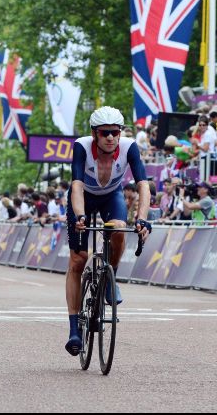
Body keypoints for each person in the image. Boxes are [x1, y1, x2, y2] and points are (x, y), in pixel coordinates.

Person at [64, 106, 152, 356]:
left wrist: (143, 218)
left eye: (115, 132)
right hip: (84, 197)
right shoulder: (81, 146)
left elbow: (143, 185)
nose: (111, 137)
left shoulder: (129, 146)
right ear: (94, 134)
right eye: (105, 133)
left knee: (119, 229)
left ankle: (110, 277)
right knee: (78, 260)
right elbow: (77, 186)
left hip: (111, 196)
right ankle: (73, 329)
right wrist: (80, 215)